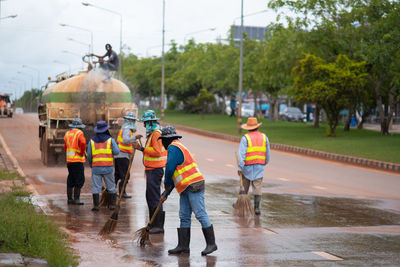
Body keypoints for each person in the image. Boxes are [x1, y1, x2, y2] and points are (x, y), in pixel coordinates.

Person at [159, 126, 217, 256]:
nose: (162, 143)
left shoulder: (173, 148)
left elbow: (169, 170)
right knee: (184, 216)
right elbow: (175, 176)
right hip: (185, 187)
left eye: (162, 140)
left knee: (200, 214)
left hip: (194, 185)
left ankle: (211, 244)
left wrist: (166, 185)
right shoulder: (177, 146)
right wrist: (165, 194)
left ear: (166, 139)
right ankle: (183, 246)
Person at [133, 110, 167, 234]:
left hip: (155, 169)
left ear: (150, 122)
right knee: (151, 196)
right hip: (151, 169)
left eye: (145, 123)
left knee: (154, 198)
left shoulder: (156, 134)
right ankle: (154, 223)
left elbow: (157, 152)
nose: (143, 125)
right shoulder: (153, 133)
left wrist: (141, 148)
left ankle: (158, 226)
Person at [237, 117, 270, 215]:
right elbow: (267, 153)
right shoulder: (264, 137)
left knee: (244, 186)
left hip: (247, 166)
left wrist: (240, 167)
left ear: (248, 128)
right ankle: (256, 208)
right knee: (257, 187)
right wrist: (265, 162)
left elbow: (242, 154)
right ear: (257, 127)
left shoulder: (245, 138)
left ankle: (240, 203)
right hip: (259, 166)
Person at [87, 121, 120, 211]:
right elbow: (117, 152)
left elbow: (89, 155)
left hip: (96, 168)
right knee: (111, 186)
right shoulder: (110, 140)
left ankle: (96, 206)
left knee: (96, 187)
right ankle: (112, 205)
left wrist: (91, 165)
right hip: (108, 167)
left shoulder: (92, 141)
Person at [114, 112, 142, 198]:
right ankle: (122, 192)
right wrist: (135, 138)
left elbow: (125, 141)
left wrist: (133, 142)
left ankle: (111, 191)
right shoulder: (126, 129)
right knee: (125, 175)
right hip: (122, 155)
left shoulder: (124, 129)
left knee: (118, 175)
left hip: (119, 156)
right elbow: (125, 140)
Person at [64, 118, 86, 205]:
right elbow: (83, 143)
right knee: (79, 179)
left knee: (71, 178)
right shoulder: (79, 133)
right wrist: (81, 153)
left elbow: (66, 146)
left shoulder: (67, 133)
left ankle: (70, 199)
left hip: (69, 160)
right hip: (77, 160)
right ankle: (77, 199)